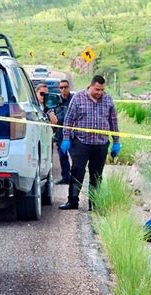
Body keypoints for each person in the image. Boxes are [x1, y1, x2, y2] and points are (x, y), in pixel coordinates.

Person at [59, 75, 121, 211]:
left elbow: (113, 122)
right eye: (97, 89)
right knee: (77, 172)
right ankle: (73, 201)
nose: (99, 92)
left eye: (102, 90)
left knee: (96, 175)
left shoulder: (108, 99)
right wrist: (66, 138)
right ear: (91, 86)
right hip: (82, 143)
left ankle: (94, 203)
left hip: (101, 144)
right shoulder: (78, 98)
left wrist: (116, 141)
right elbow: (69, 120)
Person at [52, 79, 73, 185]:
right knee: (62, 157)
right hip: (60, 133)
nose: (63, 89)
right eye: (61, 87)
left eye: (65, 87)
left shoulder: (74, 100)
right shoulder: (56, 101)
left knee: (76, 158)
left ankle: (75, 178)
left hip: (73, 134)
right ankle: (66, 177)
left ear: (69, 88)